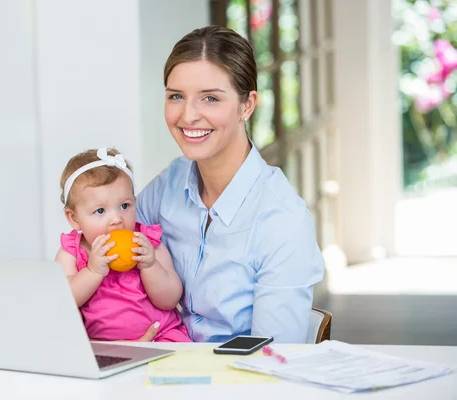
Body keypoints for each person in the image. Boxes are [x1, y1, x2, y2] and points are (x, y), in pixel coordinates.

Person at [136, 25, 325, 343]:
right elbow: (105, 250)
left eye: (210, 98)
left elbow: (275, 360)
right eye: (176, 96)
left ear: (247, 105)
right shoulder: (169, 184)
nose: (188, 115)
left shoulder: (282, 220)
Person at [55, 147, 191, 342]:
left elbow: (170, 300)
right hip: (104, 349)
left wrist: (150, 266)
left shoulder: (147, 243)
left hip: (161, 338)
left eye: (125, 206)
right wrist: (92, 272)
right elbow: (63, 302)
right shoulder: (71, 253)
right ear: (74, 218)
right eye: (100, 211)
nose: (117, 219)